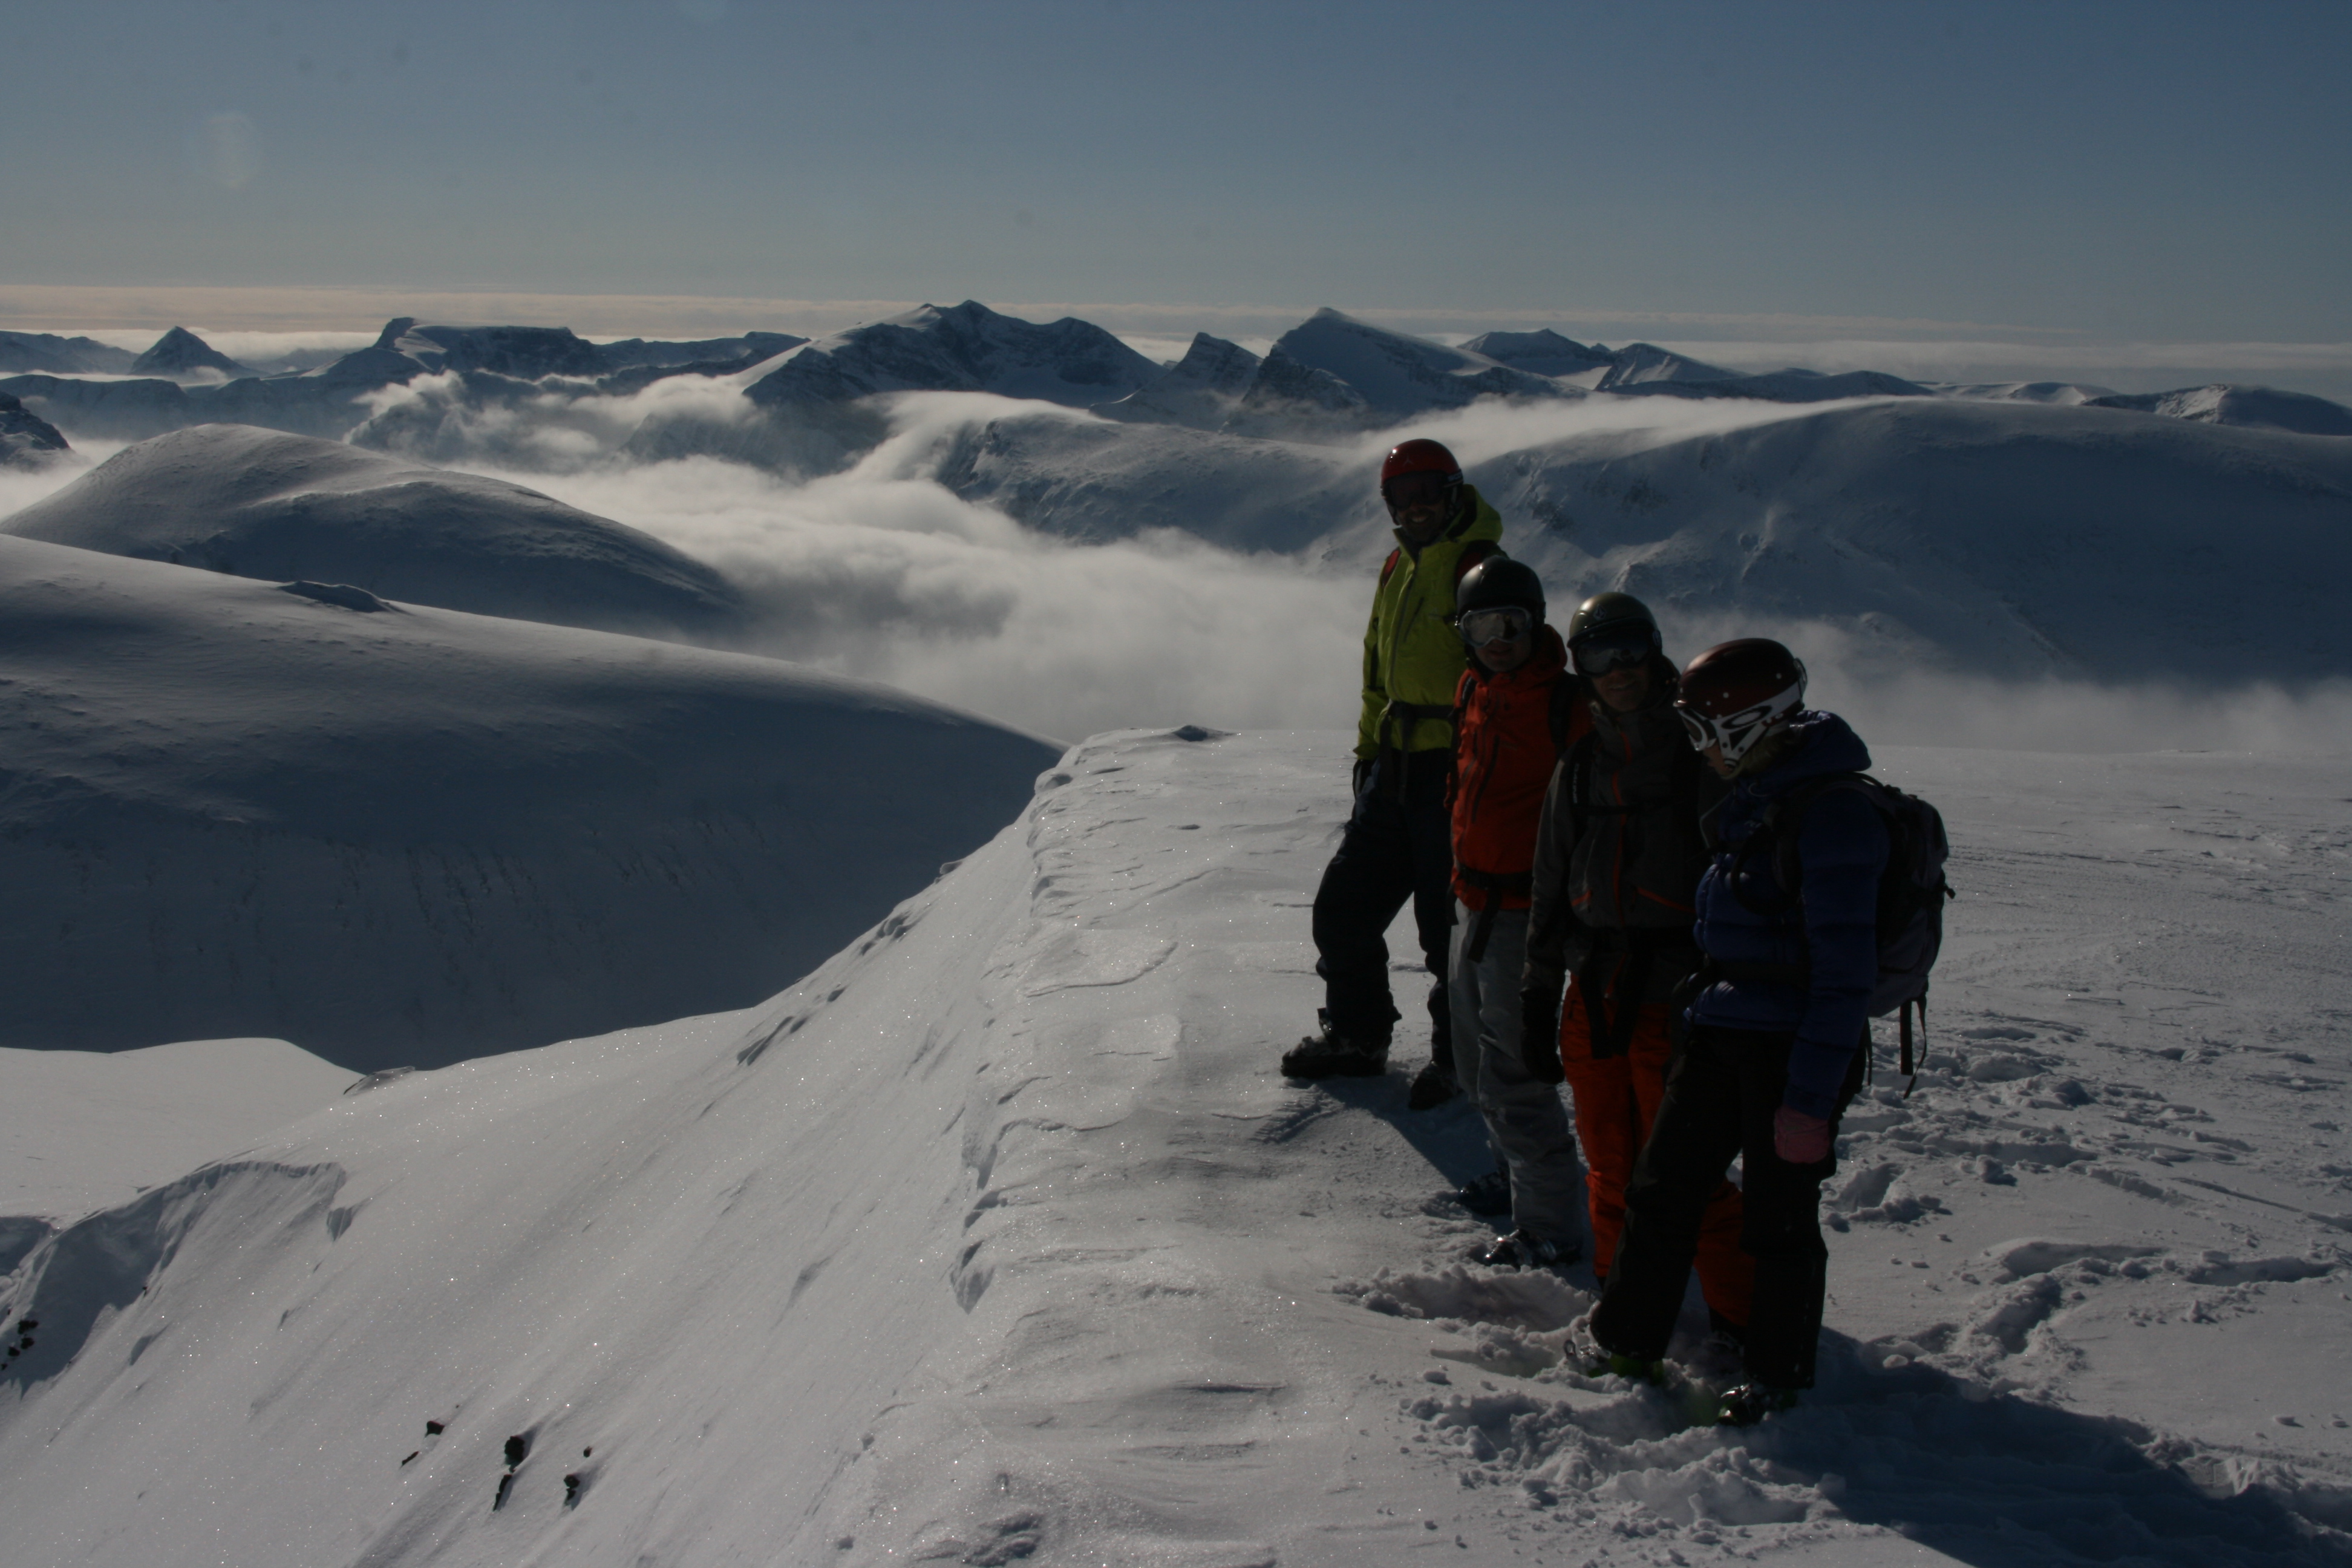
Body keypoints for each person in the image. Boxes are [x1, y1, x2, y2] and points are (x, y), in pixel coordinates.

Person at [1582, 638, 1886, 1426]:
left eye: (1703, 732)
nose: (1698, 749)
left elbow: (1844, 977)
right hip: (1722, 1034)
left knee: (1780, 1221)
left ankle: (1776, 1377)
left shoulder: (1835, 815)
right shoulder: (1757, 794)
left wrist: (1809, 1102)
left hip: (1792, 1056)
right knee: (1662, 1190)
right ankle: (1626, 1343)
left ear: (1749, 726)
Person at [1522, 595, 1755, 1324]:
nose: (1617, 669)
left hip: (1680, 998)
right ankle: (1620, 1309)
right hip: (1593, 993)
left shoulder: (1702, 759)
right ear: (1579, 667)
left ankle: (1744, 1322)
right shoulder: (1583, 764)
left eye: (1629, 650)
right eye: (1599, 655)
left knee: (1687, 1174)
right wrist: (1538, 987)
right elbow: (1551, 883)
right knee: (1614, 1167)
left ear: (1654, 653)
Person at [1283, 438, 1501, 1106]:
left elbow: (1506, 684)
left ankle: (1459, 1061)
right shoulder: (1396, 569)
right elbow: (1378, 670)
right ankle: (1358, 1036)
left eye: (1426, 494)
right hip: (1396, 765)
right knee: (1344, 909)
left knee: (1448, 934)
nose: (1414, 509)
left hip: (1455, 770)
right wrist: (1368, 755)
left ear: (1454, 490)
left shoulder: (1480, 571)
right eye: (1400, 499)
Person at [1444, 557, 1588, 1268]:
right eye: (1480, 625)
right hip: (1470, 903)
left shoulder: (1569, 703)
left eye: (1512, 624)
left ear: (1537, 622)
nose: (1497, 639)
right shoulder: (1474, 687)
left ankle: (1550, 1226)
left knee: (1516, 1077)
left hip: (1525, 918)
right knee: (1474, 1063)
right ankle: (1513, 1178)